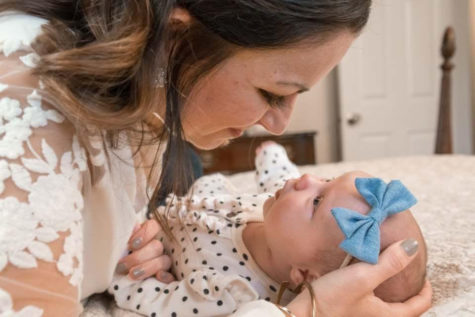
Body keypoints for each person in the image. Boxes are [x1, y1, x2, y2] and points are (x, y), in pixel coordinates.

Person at [0, 1, 432, 316]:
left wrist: (120, 245)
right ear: (177, 39)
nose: (279, 124)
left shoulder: (145, 90)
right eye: (272, 93)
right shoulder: (28, 111)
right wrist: (310, 312)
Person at [109, 142, 427, 316]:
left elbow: (156, 300)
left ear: (306, 274)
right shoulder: (278, 217)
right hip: (202, 194)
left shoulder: (233, 292)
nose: (307, 180)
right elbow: (279, 178)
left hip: (154, 224)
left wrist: (117, 267)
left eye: (317, 201)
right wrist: (272, 156)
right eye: (328, 179)